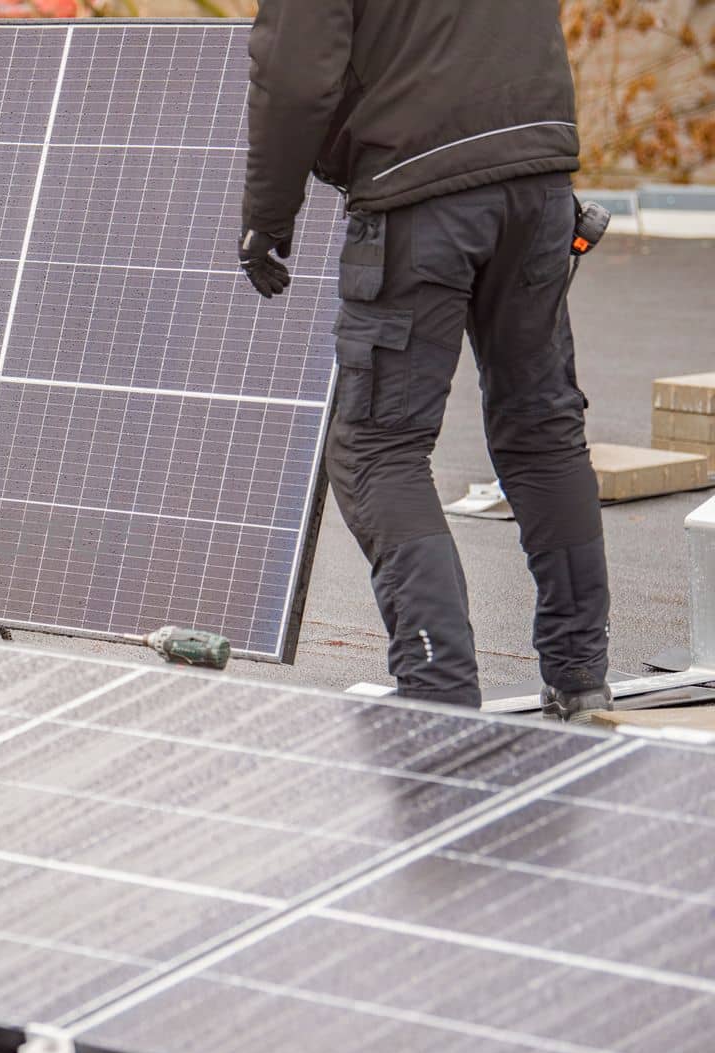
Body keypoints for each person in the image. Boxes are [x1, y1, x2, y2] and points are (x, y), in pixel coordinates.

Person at [237, 0, 612, 722]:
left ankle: (440, 698)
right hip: (537, 173)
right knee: (542, 428)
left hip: (420, 188)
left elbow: (292, 73)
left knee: (378, 450)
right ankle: (581, 678)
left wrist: (269, 211)